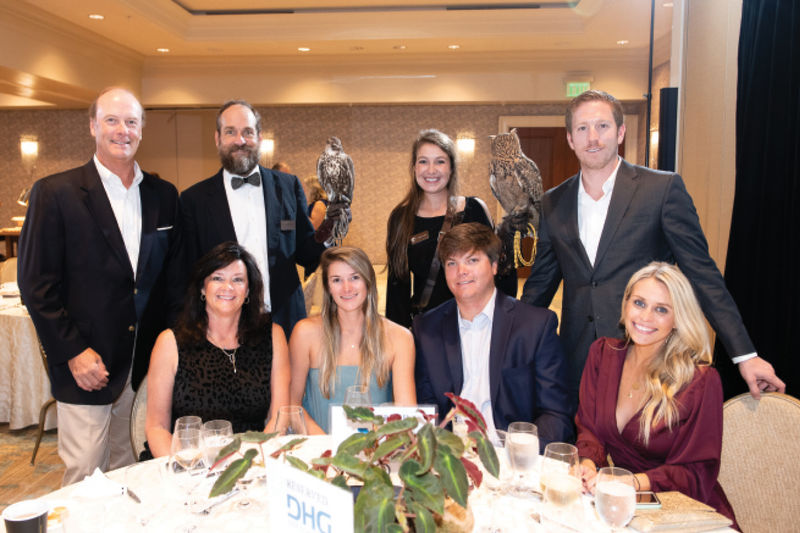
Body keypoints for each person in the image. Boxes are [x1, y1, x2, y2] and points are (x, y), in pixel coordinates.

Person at [521, 89, 784, 399]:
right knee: (581, 446)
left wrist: (745, 355)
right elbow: (539, 287)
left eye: (602, 126)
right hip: (578, 363)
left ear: (620, 132)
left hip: (648, 355)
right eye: (582, 128)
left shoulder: (661, 189)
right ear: (570, 138)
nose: (592, 136)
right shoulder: (553, 202)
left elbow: (703, 275)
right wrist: (504, 341)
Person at [17, 87, 180, 485]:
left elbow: (171, 281)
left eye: (131, 122)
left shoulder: (163, 195)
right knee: (86, 479)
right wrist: (73, 352)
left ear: (142, 130)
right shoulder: (55, 193)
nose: (122, 130)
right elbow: (36, 285)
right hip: (87, 366)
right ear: (93, 126)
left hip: (142, 366)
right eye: (111, 120)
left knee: (131, 474)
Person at [576, 262, 737, 526]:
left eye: (661, 309)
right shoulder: (603, 354)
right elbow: (590, 429)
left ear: (677, 320)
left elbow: (696, 474)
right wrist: (589, 465)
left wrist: (631, 482)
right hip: (618, 503)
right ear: (626, 304)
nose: (645, 317)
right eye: (639, 303)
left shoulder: (700, 382)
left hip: (679, 514)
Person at [179, 100, 346, 336]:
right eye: (231, 132)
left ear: (258, 136)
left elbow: (306, 253)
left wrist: (328, 228)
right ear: (217, 139)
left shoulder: (288, 187)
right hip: (223, 328)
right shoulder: (193, 200)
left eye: (248, 132)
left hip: (285, 321)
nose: (240, 140)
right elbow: (188, 274)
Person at [413, 223, 573, 449]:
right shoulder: (427, 328)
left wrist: (521, 455)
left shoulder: (535, 325)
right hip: (453, 457)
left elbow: (555, 413)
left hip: (513, 454)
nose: (461, 272)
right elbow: (426, 408)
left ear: (495, 266)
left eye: (472, 260)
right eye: (452, 263)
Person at [145, 242, 289, 457]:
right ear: (203, 288)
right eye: (217, 278)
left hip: (252, 460)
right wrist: (181, 468)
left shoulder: (272, 336)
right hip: (187, 463)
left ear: (248, 290)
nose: (227, 287)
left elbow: (279, 418)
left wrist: (254, 461)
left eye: (237, 280)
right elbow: (157, 427)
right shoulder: (170, 342)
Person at [385, 129, 516, 328]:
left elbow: (499, 270)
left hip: (476, 323)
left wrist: (503, 320)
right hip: (428, 328)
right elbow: (397, 286)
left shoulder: (474, 210)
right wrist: (399, 337)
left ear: (451, 168)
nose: (431, 170)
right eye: (423, 161)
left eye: (440, 161)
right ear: (413, 168)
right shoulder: (401, 218)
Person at [289, 246, 416, 433]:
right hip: (317, 449)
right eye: (337, 280)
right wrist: (326, 446)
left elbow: (406, 413)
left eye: (354, 277)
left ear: (368, 282)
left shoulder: (400, 338)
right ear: (327, 287)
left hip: (375, 451)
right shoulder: (305, 333)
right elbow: (291, 405)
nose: (346, 288)